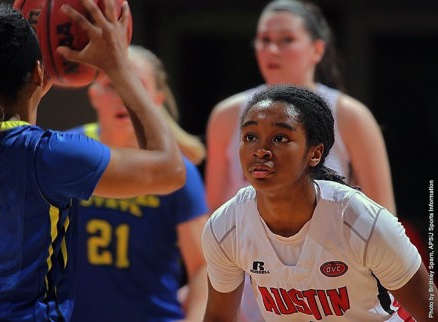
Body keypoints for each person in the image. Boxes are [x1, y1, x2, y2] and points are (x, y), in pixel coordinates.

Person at [0, 1, 186, 321]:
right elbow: (171, 171)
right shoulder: (47, 157)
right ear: (38, 75)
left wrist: (35, 76)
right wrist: (118, 64)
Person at [204, 0, 398, 319]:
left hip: (336, 289)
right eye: (264, 40)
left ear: (317, 50)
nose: (272, 50)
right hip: (257, 290)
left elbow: (385, 217)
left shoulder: (350, 115)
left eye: (287, 40)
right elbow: (213, 216)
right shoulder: (227, 115)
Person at [202, 84, 437, 321]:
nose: (260, 150)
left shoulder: (362, 221)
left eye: (280, 138)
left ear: (314, 154)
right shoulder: (226, 226)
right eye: (250, 137)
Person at [69, 45, 209, 322]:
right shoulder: (66, 152)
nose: (122, 95)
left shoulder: (176, 170)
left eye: (135, 85)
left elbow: (202, 266)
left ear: (155, 99)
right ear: (93, 94)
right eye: (111, 84)